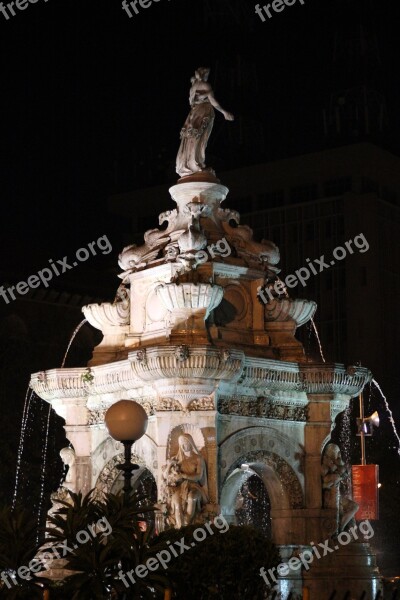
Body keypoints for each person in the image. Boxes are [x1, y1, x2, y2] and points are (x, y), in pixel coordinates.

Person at [176, 67, 234, 178]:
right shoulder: (205, 85)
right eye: (207, 74)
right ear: (204, 74)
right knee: (200, 137)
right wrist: (224, 112)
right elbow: (213, 101)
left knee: (192, 136)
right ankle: (195, 163)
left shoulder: (193, 87)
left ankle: (189, 163)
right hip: (203, 111)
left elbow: (191, 103)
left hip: (194, 113)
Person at [164, 433, 209, 528]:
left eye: (185, 443)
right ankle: (180, 529)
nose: (184, 446)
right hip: (180, 487)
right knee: (176, 502)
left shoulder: (198, 458)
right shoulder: (176, 459)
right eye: (182, 444)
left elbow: (198, 476)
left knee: (192, 497)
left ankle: (186, 524)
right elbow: (165, 476)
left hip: (194, 486)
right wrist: (169, 465)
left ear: (190, 443)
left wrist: (183, 475)